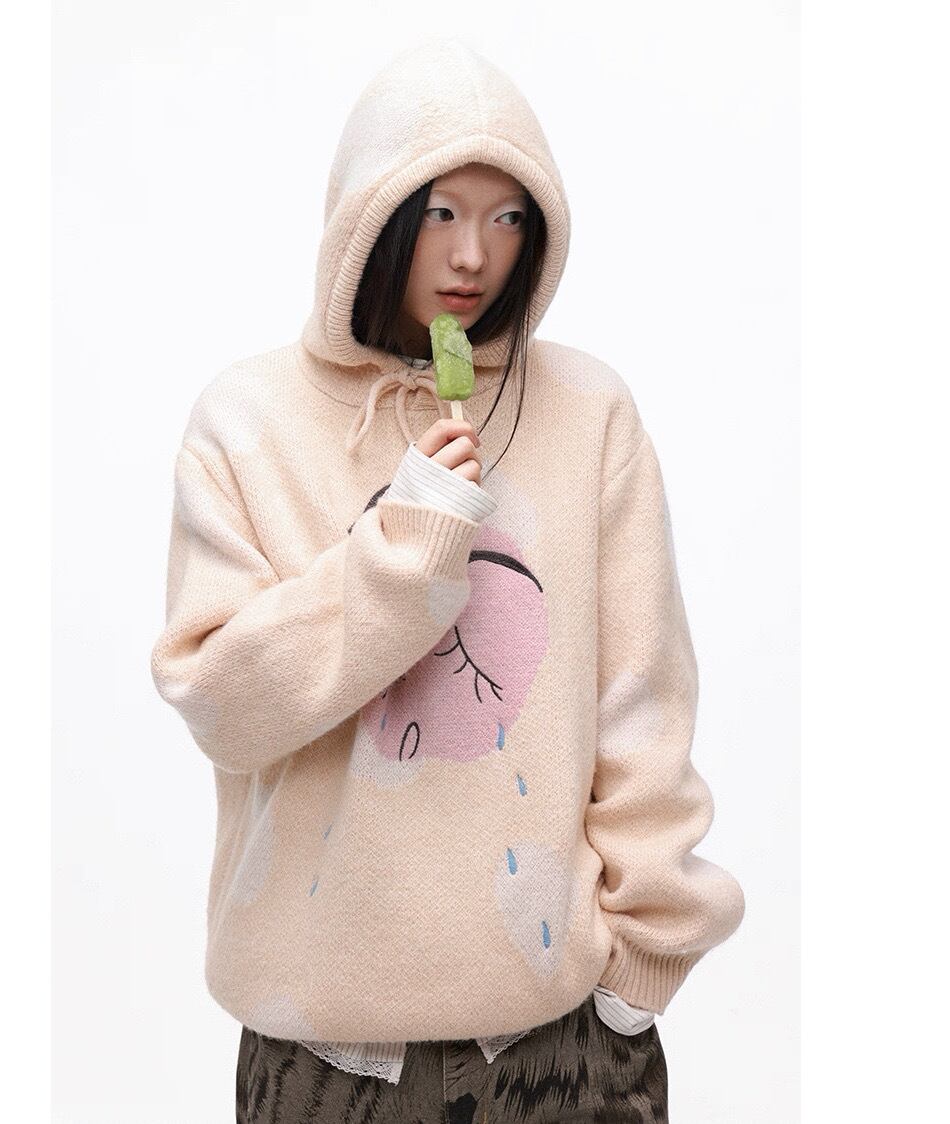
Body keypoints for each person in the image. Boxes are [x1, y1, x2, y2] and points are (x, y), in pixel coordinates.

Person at [150, 37, 745, 1124]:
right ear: (368, 217)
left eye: (508, 216)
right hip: (320, 1050)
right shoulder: (247, 422)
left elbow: (643, 701)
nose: (474, 254)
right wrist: (403, 546)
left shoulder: (588, 413)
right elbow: (225, 708)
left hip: (558, 1038)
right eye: (439, 211)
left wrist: (637, 974)